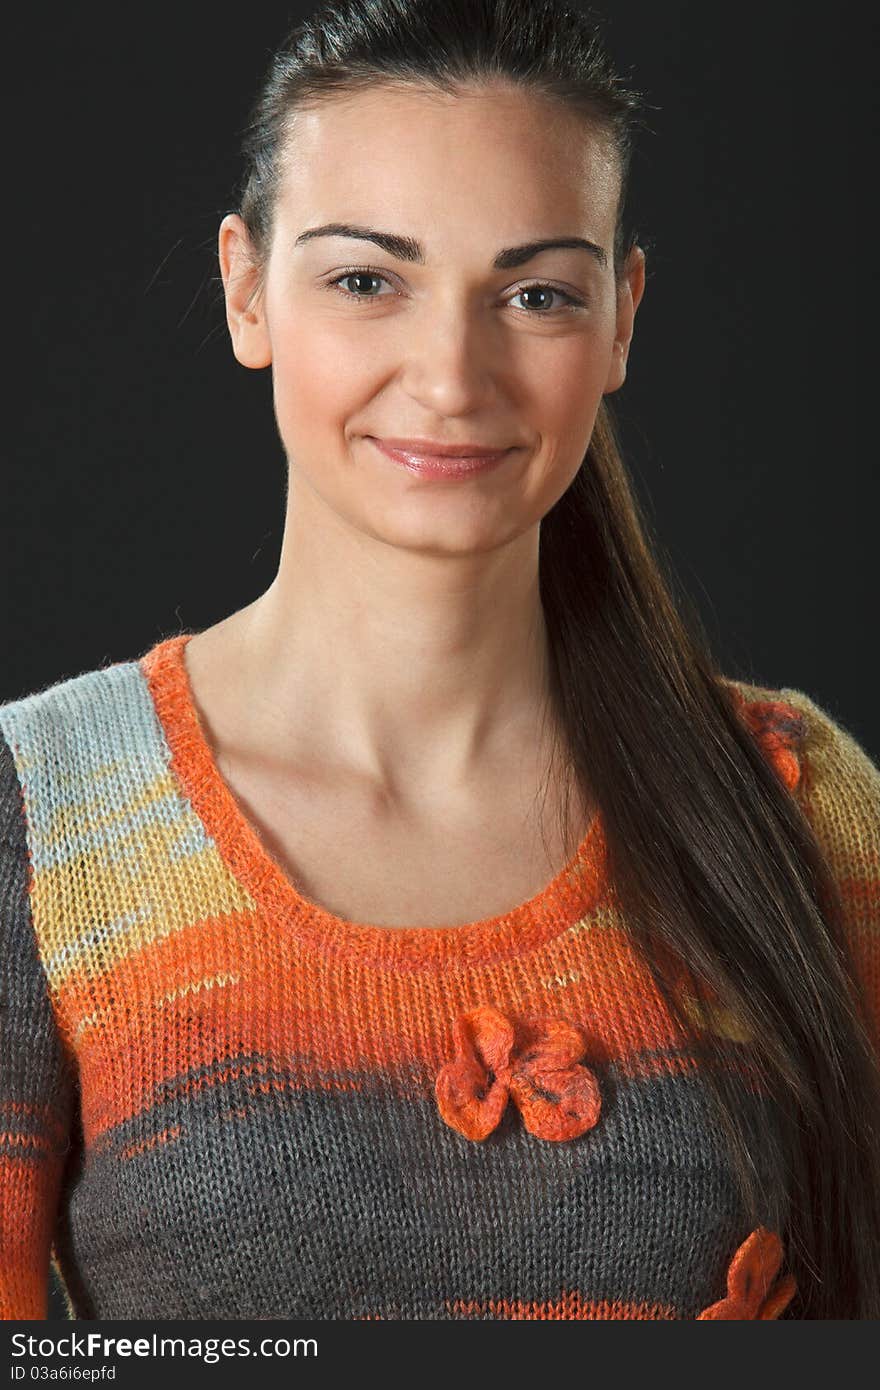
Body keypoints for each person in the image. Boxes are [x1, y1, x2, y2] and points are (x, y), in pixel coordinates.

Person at [1, 0, 878, 1322]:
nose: (451, 376)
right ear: (248, 289)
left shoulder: (802, 801)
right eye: (368, 279)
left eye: (535, 294)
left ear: (622, 317)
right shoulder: (41, 814)